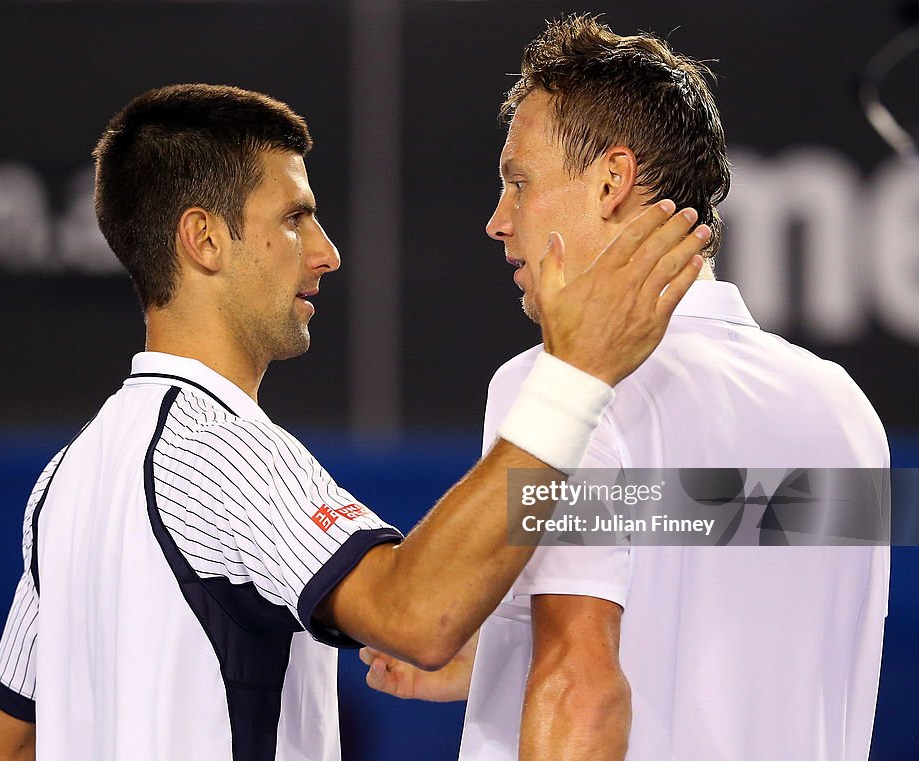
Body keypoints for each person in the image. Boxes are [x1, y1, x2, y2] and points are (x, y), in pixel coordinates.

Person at [0, 84, 709, 761]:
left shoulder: (64, 483)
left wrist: (502, 655)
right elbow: (419, 614)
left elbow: (1, 744)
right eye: (295, 219)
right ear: (205, 239)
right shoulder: (221, 454)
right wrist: (574, 377)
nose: (327, 252)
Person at [361, 14, 890, 761]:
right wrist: (505, 655)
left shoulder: (565, 389)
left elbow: (584, 691)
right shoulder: (843, 409)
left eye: (519, 183)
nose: (497, 221)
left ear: (612, 181)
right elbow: (716, 606)